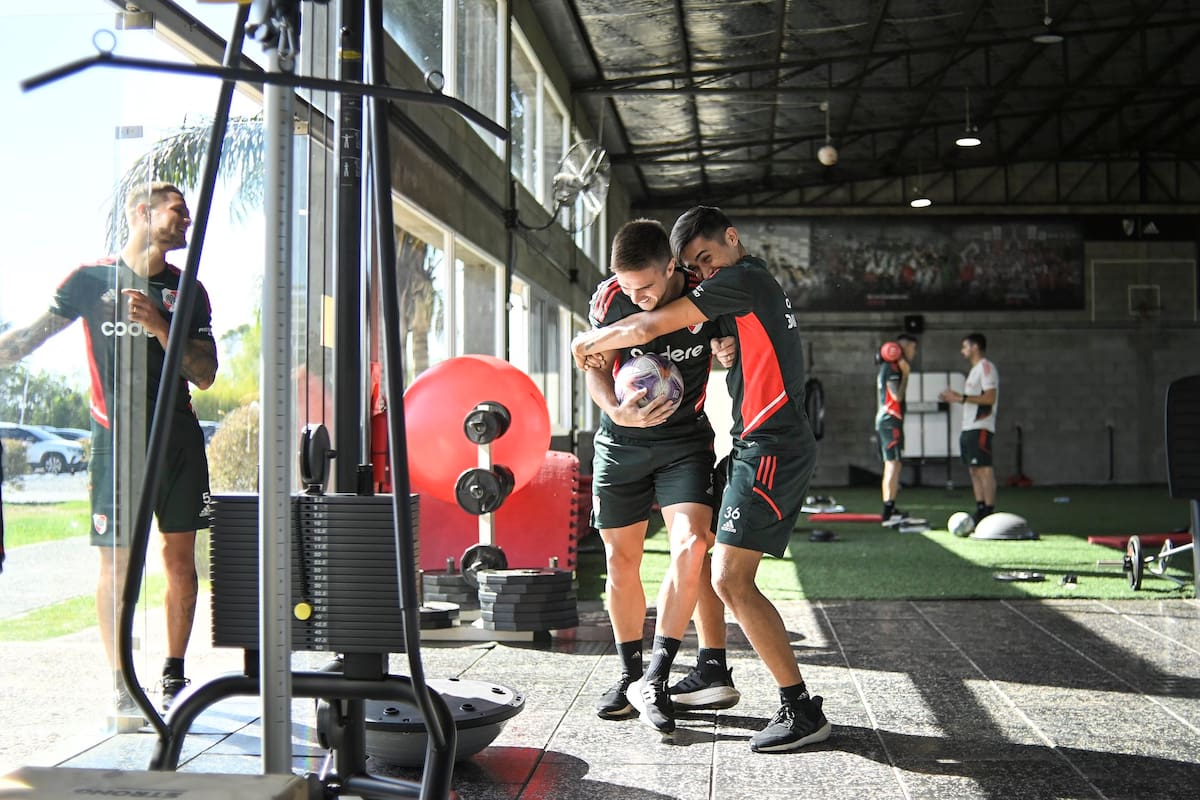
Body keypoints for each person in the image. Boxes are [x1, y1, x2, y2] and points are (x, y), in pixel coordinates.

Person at [572, 206, 830, 753]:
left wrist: (584, 344)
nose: (704, 271)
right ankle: (711, 668)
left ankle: (799, 707)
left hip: (770, 445)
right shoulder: (731, 286)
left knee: (729, 578)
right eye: (697, 264)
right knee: (700, 549)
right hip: (742, 442)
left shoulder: (737, 280)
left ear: (730, 240)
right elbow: (728, 336)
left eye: (706, 259)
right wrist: (722, 345)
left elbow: (650, 327)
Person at [0, 182, 217, 721]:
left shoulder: (189, 290)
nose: (186, 221)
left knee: (179, 563)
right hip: (114, 444)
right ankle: (122, 683)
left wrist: (159, 325)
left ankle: (173, 675)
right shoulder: (89, 280)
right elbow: (27, 340)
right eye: (177, 211)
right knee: (117, 566)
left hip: (178, 443)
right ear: (143, 212)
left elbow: (205, 373)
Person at [585, 219, 740, 735]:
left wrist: (727, 347)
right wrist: (615, 410)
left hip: (684, 442)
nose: (638, 298)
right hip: (621, 443)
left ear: (671, 266)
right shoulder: (611, 298)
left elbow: (733, 338)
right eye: (629, 288)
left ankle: (656, 676)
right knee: (620, 559)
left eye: (647, 287)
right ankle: (629, 674)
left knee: (692, 545)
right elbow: (594, 365)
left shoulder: (705, 293)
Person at [939, 332, 998, 523]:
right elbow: (971, 399)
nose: (962, 351)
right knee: (974, 469)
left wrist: (961, 398)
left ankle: (989, 510)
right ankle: (980, 508)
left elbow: (990, 398)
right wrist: (956, 397)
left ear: (975, 347)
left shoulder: (986, 367)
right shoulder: (974, 371)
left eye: (965, 346)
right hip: (968, 427)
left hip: (981, 426)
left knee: (984, 469)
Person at [876, 334, 919, 527]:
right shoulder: (892, 368)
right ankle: (887, 511)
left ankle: (891, 507)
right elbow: (897, 396)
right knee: (892, 464)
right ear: (904, 347)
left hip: (891, 420)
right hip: (889, 420)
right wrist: (907, 374)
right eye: (913, 348)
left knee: (896, 463)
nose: (914, 352)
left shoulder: (891, 367)